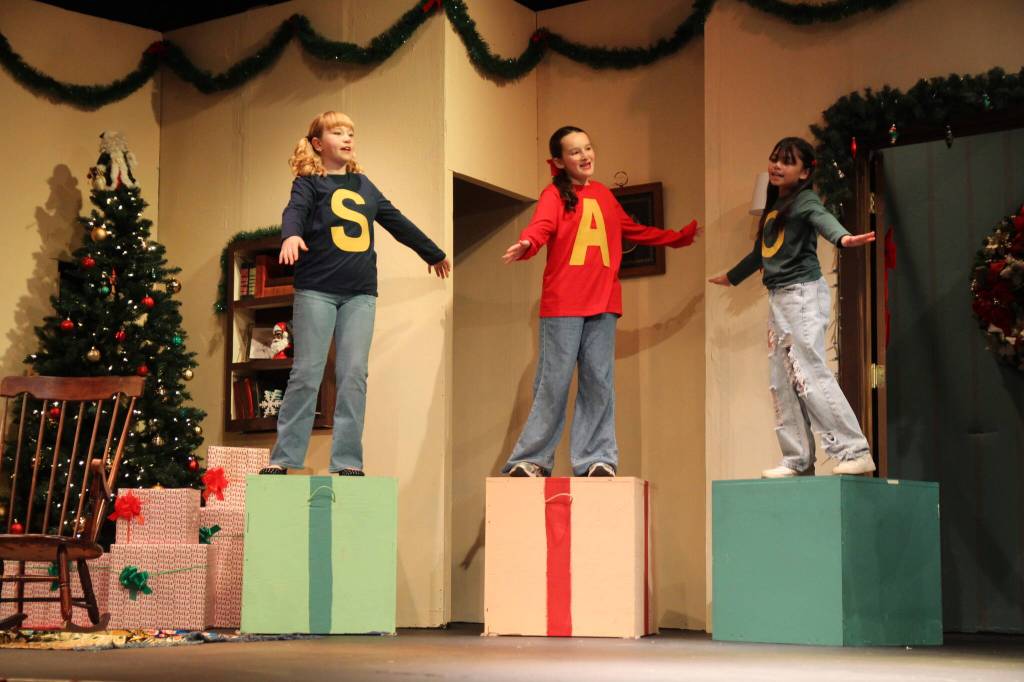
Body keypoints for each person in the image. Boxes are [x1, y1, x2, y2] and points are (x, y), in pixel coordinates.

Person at [501, 126, 700, 478]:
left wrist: (676, 239)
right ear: (559, 161)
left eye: (588, 148)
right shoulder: (554, 195)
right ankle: (531, 459)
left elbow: (633, 230)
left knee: (599, 381)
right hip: (563, 303)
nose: (584, 156)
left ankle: (596, 458)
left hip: (604, 303)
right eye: (575, 152)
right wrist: (528, 244)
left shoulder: (605, 196)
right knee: (554, 381)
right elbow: (541, 226)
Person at [260, 111, 450, 476]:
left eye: (351, 133)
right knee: (307, 373)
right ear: (318, 144)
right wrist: (291, 235)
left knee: (353, 374)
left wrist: (433, 252)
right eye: (337, 132)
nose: (347, 138)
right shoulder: (308, 184)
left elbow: (396, 221)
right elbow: (294, 212)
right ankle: (284, 458)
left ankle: (347, 462)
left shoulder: (364, 185)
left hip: (359, 294)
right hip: (316, 290)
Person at [708, 136, 875, 478]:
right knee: (782, 379)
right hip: (779, 298)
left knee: (809, 372)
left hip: (801, 294)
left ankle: (854, 450)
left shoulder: (805, 200)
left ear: (804, 172)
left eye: (786, 161)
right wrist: (732, 276)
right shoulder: (775, 208)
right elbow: (761, 253)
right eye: (774, 159)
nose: (777, 166)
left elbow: (822, 218)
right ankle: (797, 459)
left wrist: (843, 238)